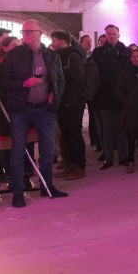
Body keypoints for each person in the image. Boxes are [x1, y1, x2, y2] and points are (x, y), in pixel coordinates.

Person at [0, 19, 68, 207]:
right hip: (21, 109)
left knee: (47, 151)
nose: (26, 35)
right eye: (24, 31)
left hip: (45, 109)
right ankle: (18, 191)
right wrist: (23, 84)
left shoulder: (51, 56)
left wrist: (54, 97)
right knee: (18, 151)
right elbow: (2, 82)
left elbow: (60, 80)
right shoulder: (14, 55)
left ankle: (47, 186)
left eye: (30, 31)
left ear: (40, 32)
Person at [50, 31, 87, 181]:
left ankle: (79, 165)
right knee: (64, 134)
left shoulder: (73, 56)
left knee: (74, 134)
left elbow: (78, 81)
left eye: (54, 40)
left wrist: (70, 101)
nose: (52, 43)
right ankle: (70, 163)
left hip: (72, 103)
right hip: (62, 103)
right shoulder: (61, 55)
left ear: (62, 41)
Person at [91, 24, 128, 169]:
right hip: (104, 96)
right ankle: (108, 158)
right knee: (107, 129)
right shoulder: (98, 52)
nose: (111, 36)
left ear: (118, 35)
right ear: (105, 35)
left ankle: (123, 157)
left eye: (114, 34)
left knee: (121, 129)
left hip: (121, 96)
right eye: (109, 34)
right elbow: (94, 76)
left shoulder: (125, 51)